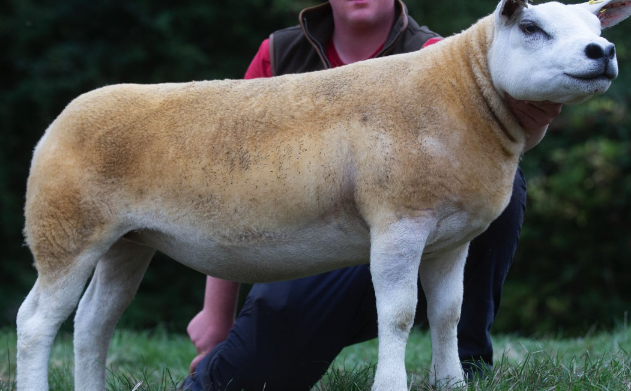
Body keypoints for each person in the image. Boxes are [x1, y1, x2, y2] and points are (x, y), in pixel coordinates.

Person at [182, 1, 562, 390]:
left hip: (407, 250)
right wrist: (216, 314)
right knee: (242, 375)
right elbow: (230, 183)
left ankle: (463, 364)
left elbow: (491, 148)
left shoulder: (440, 56)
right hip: (301, 253)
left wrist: (531, 130)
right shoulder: (279, 55)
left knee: (502, 185)